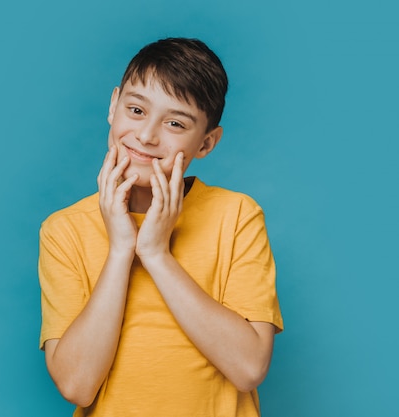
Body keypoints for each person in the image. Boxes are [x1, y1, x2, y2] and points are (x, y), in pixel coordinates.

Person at [38, 38, 283, 417]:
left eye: (174, 123)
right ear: (112, 105)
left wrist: (155, 253)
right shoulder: (64, 230)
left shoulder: (237, 216)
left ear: (206, 143)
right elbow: (77, 385)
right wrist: (121, 249)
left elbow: (249, 367)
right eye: (135, 110)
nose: (147, 135)